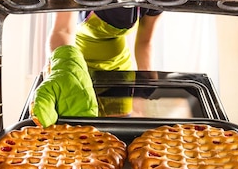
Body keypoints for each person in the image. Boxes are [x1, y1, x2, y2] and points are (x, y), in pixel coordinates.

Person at [31, 7, 162, 127]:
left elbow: (145, 41)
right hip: (76, 68)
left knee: (115, 134)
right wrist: (63, 69)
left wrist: (145, 84)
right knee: (76, 135)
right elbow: (62, 31)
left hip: (119, 72)